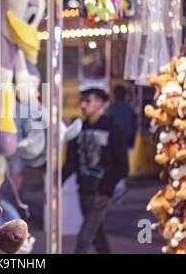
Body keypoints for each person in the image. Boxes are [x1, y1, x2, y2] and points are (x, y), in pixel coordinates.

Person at [64, 88, 129, 254]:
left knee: (85, 237)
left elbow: (122, 165)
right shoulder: (78, 129)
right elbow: (71, 162)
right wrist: (57, 182)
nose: (83, 105)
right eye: (82, 101)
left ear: (100, 104)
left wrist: (106, 186)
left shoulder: (113, 130)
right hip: (83, 190)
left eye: (88, 101)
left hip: (100, 192)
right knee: (96, 233)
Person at [106, 85, 137, 149]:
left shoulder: (111, 109)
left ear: (114, 95)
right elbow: (134, 127)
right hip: (127, 141)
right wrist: (132, 143)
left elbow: (106, 126)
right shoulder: (130, 110)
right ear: (125, 95)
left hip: (113, 141)